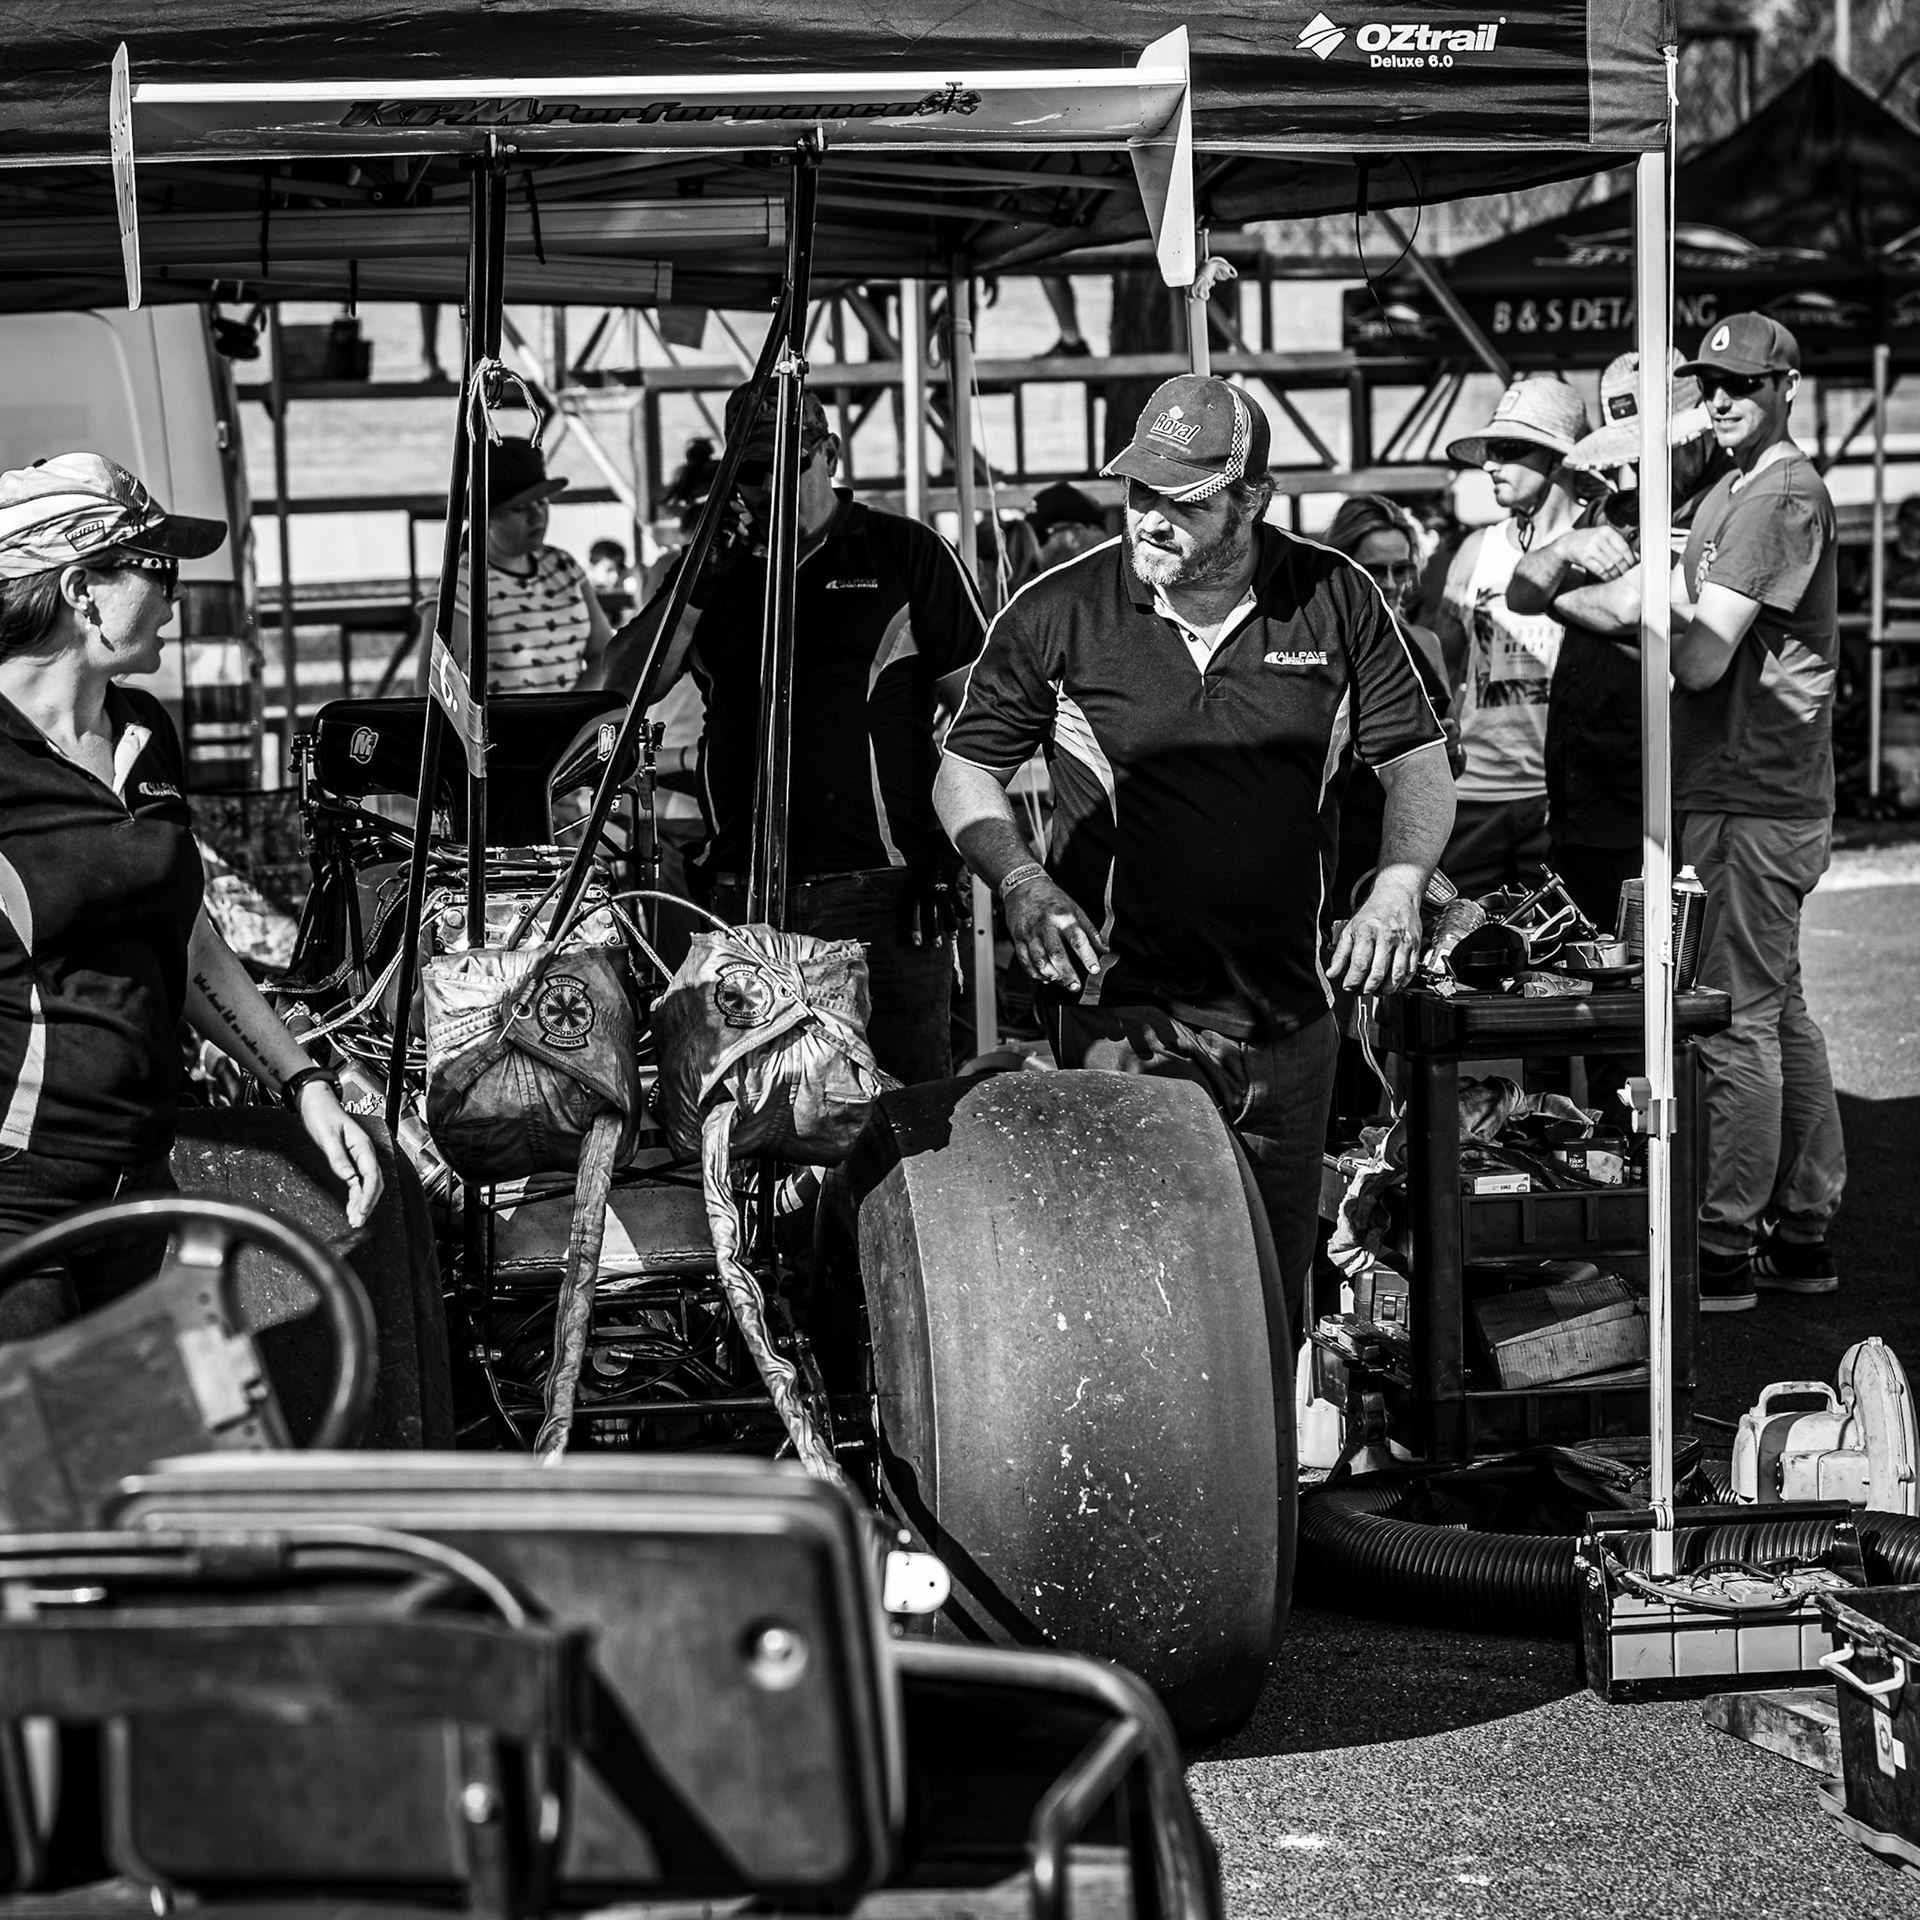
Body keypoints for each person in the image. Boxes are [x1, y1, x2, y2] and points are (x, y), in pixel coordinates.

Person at [935, 376, 1454, 1336]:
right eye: (1139, 492)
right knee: (1144, 1301)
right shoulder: (1062, 609)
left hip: (1294, 1019)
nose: (1151, 521)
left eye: (1183, 501)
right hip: (1128, 1017)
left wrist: (1397, 889)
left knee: (1273, 1293)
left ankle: (1273, 1482)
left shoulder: (1336, 596)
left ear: (1249, 500)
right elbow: (964, 769)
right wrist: (1018, 879)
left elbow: (1418, 762)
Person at [1504, 315, 1846, 1311]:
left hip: (1749, 794)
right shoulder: (1737, 492)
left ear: (1785, 386)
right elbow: (1629, 617)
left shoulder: (1773, 493)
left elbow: (1696, 657)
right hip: (1749, 791)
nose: (1724, 397)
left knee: (1737, 1020)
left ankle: (1725, 1241)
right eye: (1711, 382)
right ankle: (1801, 1228)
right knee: (1775, 1011)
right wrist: (1577, 585)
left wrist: (1600, 589)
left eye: (1744, 382)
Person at [0, 454, 382, 1340]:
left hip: (141, 1182)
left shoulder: (144, 731)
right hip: (17, 1206)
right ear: (79, 587)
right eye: (158, 570)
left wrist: (305, 1084)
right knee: (52, 1476)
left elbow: (186, 940)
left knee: (165, 1463)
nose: (178, 598)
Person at [594, 381, 989, 1084]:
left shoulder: (905, 552)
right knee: (753, 1105)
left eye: (789, 463)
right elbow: (622, 685)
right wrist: (702, 579)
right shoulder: (704, 574)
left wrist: (953, 847)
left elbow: (983, 711)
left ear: (829, 454)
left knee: (903, 1104)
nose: (769, 485)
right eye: (750, 472)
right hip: (742, 886)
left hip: (883, 884)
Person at [1506, 352, 1733, 931]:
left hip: (1655, 796)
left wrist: (1563, 590)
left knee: (1664, 976)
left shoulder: (1715, 503)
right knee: (1587, 971)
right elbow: (1519, 592)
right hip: (1584, 789)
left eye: (1660, 447)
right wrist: (1564, 552)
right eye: (1634, 450)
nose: (1643, 463)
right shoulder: (1618, 505)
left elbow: (1628, 605)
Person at [1433, 377, 1591, 895]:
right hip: (1475, 795)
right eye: (1489, 450)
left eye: (1507, 450)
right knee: (1460, 956)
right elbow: (1441, 663)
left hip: (1564, 796)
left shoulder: (1599, 546)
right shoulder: (1476, 549)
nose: (1489, 464)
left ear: (1557, 459)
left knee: (1565, 962)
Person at [416, 438, 613, 696]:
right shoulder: (462, 585)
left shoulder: (565, 567)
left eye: (542, 502)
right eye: (519, 508)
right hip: (499, 734)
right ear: (486, 518)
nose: (537, 515)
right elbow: (433, 685)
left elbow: (604, 653)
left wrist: (570, 713)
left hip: (572, 729)